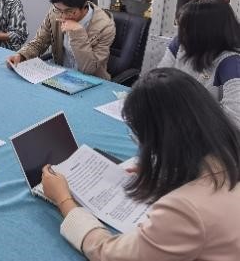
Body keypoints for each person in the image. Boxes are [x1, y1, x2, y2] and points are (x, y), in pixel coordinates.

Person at [42, 68, 240, 260]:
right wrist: (164, 174)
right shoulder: (228, 157)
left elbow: (108, 253)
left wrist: (64, 200)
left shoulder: (184, 210)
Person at [7, 0, 116, 80]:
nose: (63, 16)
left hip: (92, 81)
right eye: (58, 9)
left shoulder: (105, 26)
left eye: (69, 11)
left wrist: (78, 33)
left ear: (84, 6)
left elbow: (88, 69)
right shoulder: (55, 12)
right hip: (60, 75)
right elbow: (39, 42)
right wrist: (21, 55)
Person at [158, 0, 240, 124]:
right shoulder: (180, 43)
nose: (180, 34)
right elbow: (158, 79)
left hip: (206, 130)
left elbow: (235, 119)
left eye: (185, 29)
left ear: (204, 33)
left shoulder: (231, 63)